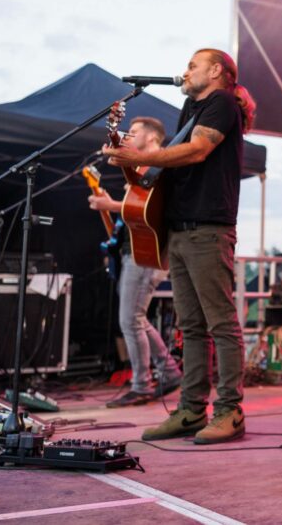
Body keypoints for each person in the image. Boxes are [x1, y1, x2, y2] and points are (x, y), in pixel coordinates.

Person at [104, 49, 256, 445]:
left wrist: (143, 154)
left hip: (209, 228)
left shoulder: (222, 102)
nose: (185, 72)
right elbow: (170, 165)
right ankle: (191, 410)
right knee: (190, 326)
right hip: (180, 229)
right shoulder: (191, 107)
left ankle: (230, 410)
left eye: (192, 65)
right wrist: (130, 161)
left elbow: (198, 149)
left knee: (220, 323)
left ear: (216, 71)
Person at [88, 116, 183, 408]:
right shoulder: (141, 170)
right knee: (136, 318)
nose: (128, 135)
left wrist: (111, 205)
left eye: (134, 132)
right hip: (137, 249)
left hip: (147, 253)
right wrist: (113, 206)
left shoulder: (159, 166)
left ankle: (142, 385)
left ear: (152, 137)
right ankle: (168, 371)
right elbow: (137, 211)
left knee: (130, 319)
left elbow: (159, 209)